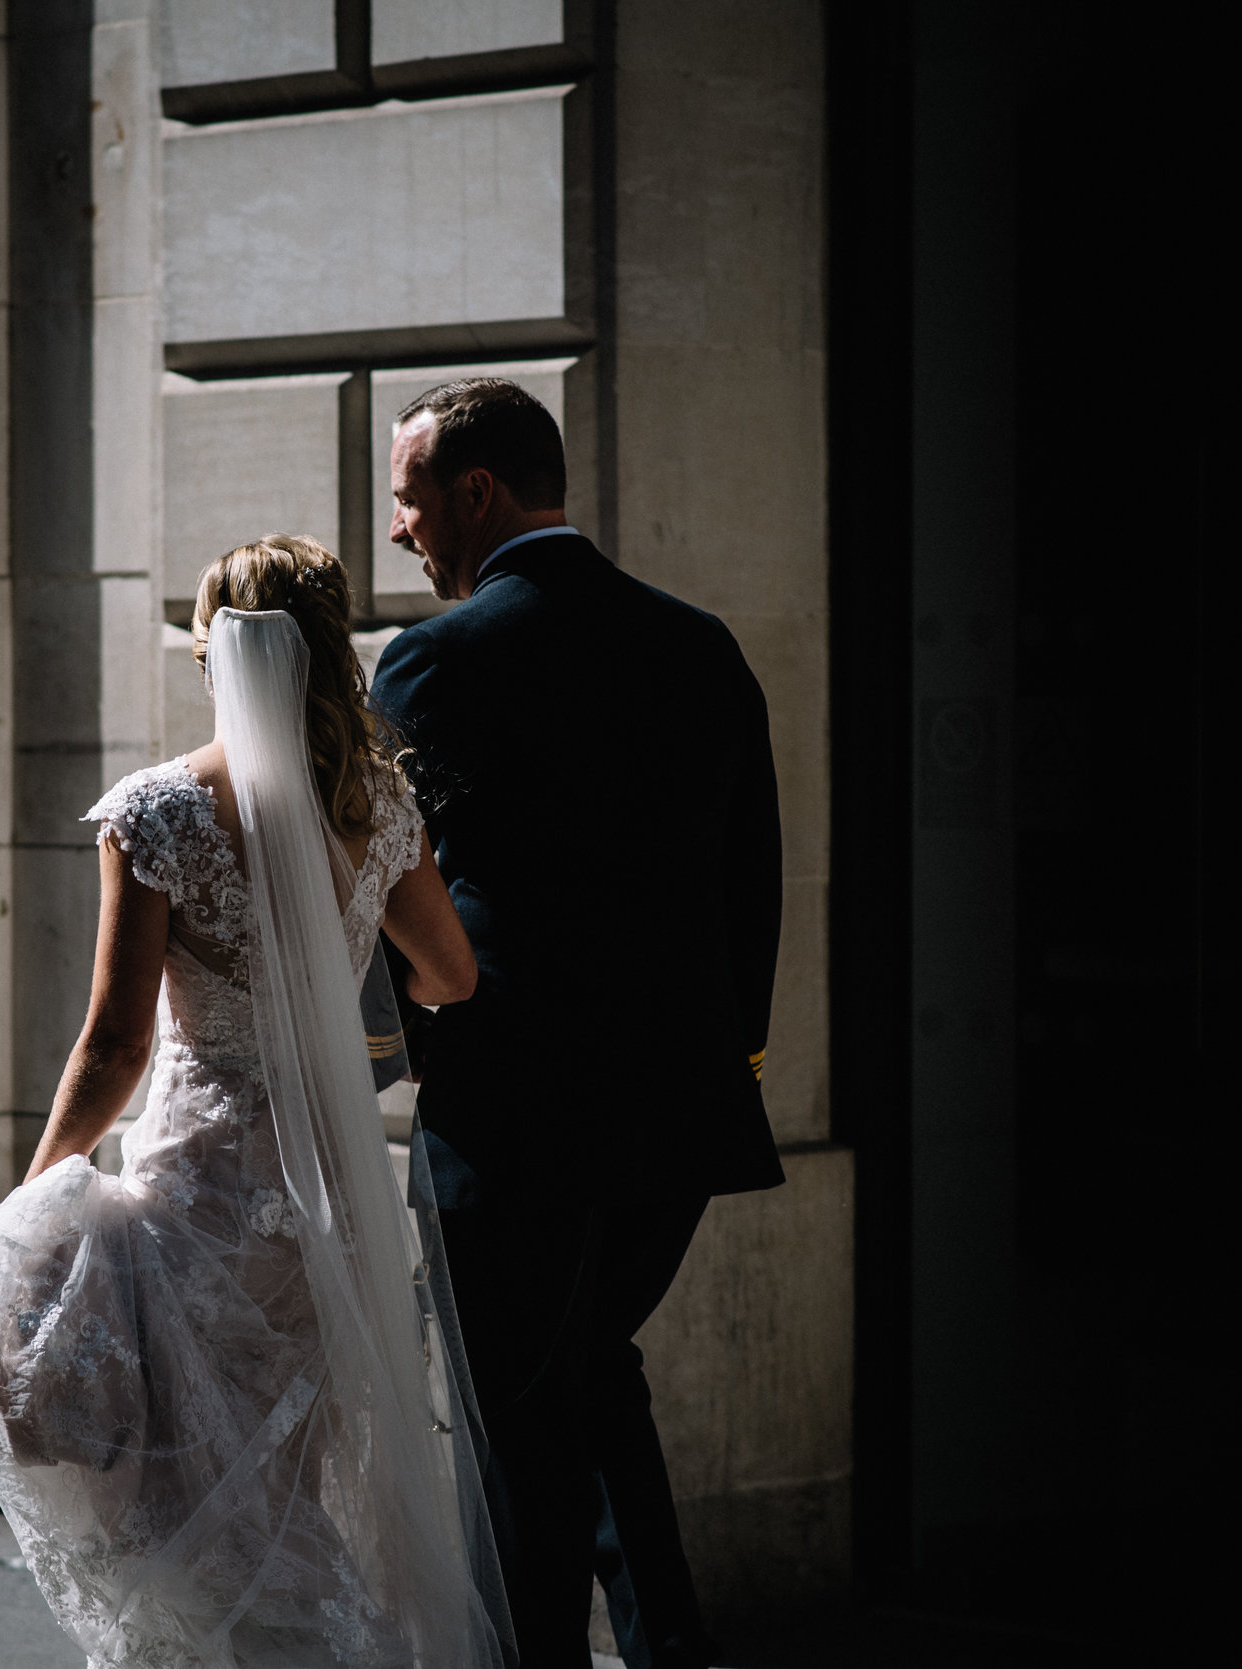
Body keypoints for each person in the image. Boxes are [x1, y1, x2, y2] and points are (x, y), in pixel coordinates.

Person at [0, 536, 515, 1669]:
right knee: (284, 1476)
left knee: (181, 1499)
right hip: (332, 1206)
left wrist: (39, 1194)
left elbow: (113, 1046)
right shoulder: (376, 809)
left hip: (202, 1190)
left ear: (213, 653)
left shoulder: (159, 812)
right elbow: (450, 976)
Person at [369, 379, 784, 1669]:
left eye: (408, 495)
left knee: (514, 1422)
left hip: (515, 1120)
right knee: (593, 1371)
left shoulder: (438, 661)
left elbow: (393, 887)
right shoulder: (698, 641)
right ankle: (672, 1644)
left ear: (473, 493)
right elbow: (752, 876)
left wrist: (384, 1055)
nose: (399, 528)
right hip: (681, 1113)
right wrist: (740, 1055)